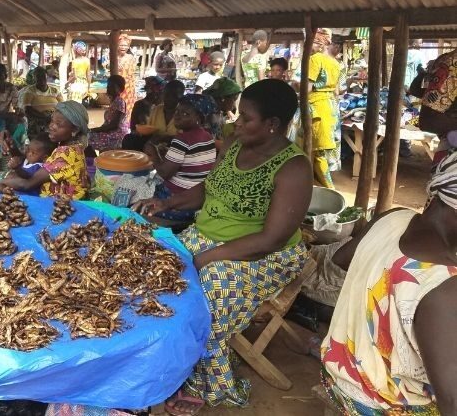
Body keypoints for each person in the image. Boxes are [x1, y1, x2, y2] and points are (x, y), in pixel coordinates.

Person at [133, 79, 312, 411]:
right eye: (238, 115)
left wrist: (209, 256)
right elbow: (208, 188)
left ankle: (205, 384)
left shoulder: (294, 168)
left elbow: (270, 239)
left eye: (246, 118)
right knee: (154, 270)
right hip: (208, 237)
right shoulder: (233, 144)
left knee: (207, 300)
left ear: (272, 124)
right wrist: (169, 203)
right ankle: (169, 365)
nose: (237, 123)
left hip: (264, 253)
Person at [321, 150, 457, 415]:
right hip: (381, 402)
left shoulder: (393, 218)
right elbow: (451, 402)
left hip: (338, 372)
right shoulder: (443, 284)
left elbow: (341, 258)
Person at [145, 94, 217, 222]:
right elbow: (190, 163)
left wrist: (154, 153)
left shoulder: (182, 140)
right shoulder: (208, 137)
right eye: (177, 111)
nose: (177, 116)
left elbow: (164, 173)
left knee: (140, 187)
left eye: (185, 114)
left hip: (177, 199)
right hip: (196, 199)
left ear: (199, 119)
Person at [0, 101, 90, 199]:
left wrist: (2, 182)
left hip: (62, 204)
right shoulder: (72, 147)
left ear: (75, 130)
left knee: (3, 186)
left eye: (58, 124)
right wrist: (13, 148)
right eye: (52, 121)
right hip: (60, 199)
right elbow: (32, 162)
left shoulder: (66, 153)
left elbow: (27, 184)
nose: (51, 126)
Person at [411, 47, 457, 165]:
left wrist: (421, 75)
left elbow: (415, 90)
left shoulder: (444, 59)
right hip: (444, 129)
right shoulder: (449, 61)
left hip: (437, 127)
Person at [308, 28, 341, 188]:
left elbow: (306, 88)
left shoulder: (315, 59)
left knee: (316, 153)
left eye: (313, 42)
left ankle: (331, 190)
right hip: (331, 108)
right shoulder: (335, 63)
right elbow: (337, 91)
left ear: (321, 42)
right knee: (321, 152)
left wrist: (294, 84)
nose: (311, 46)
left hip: (317, 108)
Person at [121, 76, 166, 151]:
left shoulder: (165, 106)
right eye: (158, 93)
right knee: (128, 139)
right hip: (144, 137)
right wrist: (139, 131)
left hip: (162, 138)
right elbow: (133, 127)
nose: (159, 95)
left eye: (161, 93)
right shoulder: (139, 105)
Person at [87, 75, 129, 153]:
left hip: (117, 133)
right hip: (112, 131)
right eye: (108, 86)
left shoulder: (119, 102)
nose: (109, 88)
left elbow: (114, 125)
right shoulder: (114, 102)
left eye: (112, 87)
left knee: (87, 137)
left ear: (120, 89)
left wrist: (96, 129)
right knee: (89, 136)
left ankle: (96, 161)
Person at [22, 66, 63, 140]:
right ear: (34, 78)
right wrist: (43, 116)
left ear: (46, 76)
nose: (41, 79)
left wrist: (53, 117)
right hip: (37, 119)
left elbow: (63, 107)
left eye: (43, 76)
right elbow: (27, 109)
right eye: (38, 76)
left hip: (53, 118)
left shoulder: (55, 91)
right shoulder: (30, 91)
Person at [0, 63, 19, 163]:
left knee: (22, 122)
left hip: (5, 116)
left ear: (5, 76)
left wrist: (18, 114)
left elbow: (17, 106)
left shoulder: (11, 88)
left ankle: (18, 152)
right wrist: (6, 115)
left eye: (0, 75)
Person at [203, 77, 241, 143]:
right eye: (234, 99)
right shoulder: (210, 114)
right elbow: (206, 140)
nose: (234, 104)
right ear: (223, 98)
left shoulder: (218, 110)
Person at [117, 33, 138, 122]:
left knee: (128, 107)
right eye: (121, 45)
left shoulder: (131, 58)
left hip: (128, 88)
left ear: (129, 46)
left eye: (125, 45)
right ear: (117, 45)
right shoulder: (114, 58)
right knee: (118, 107)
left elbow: (132, 75)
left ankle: (126, 125)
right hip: (117, 87)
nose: (123, 47)